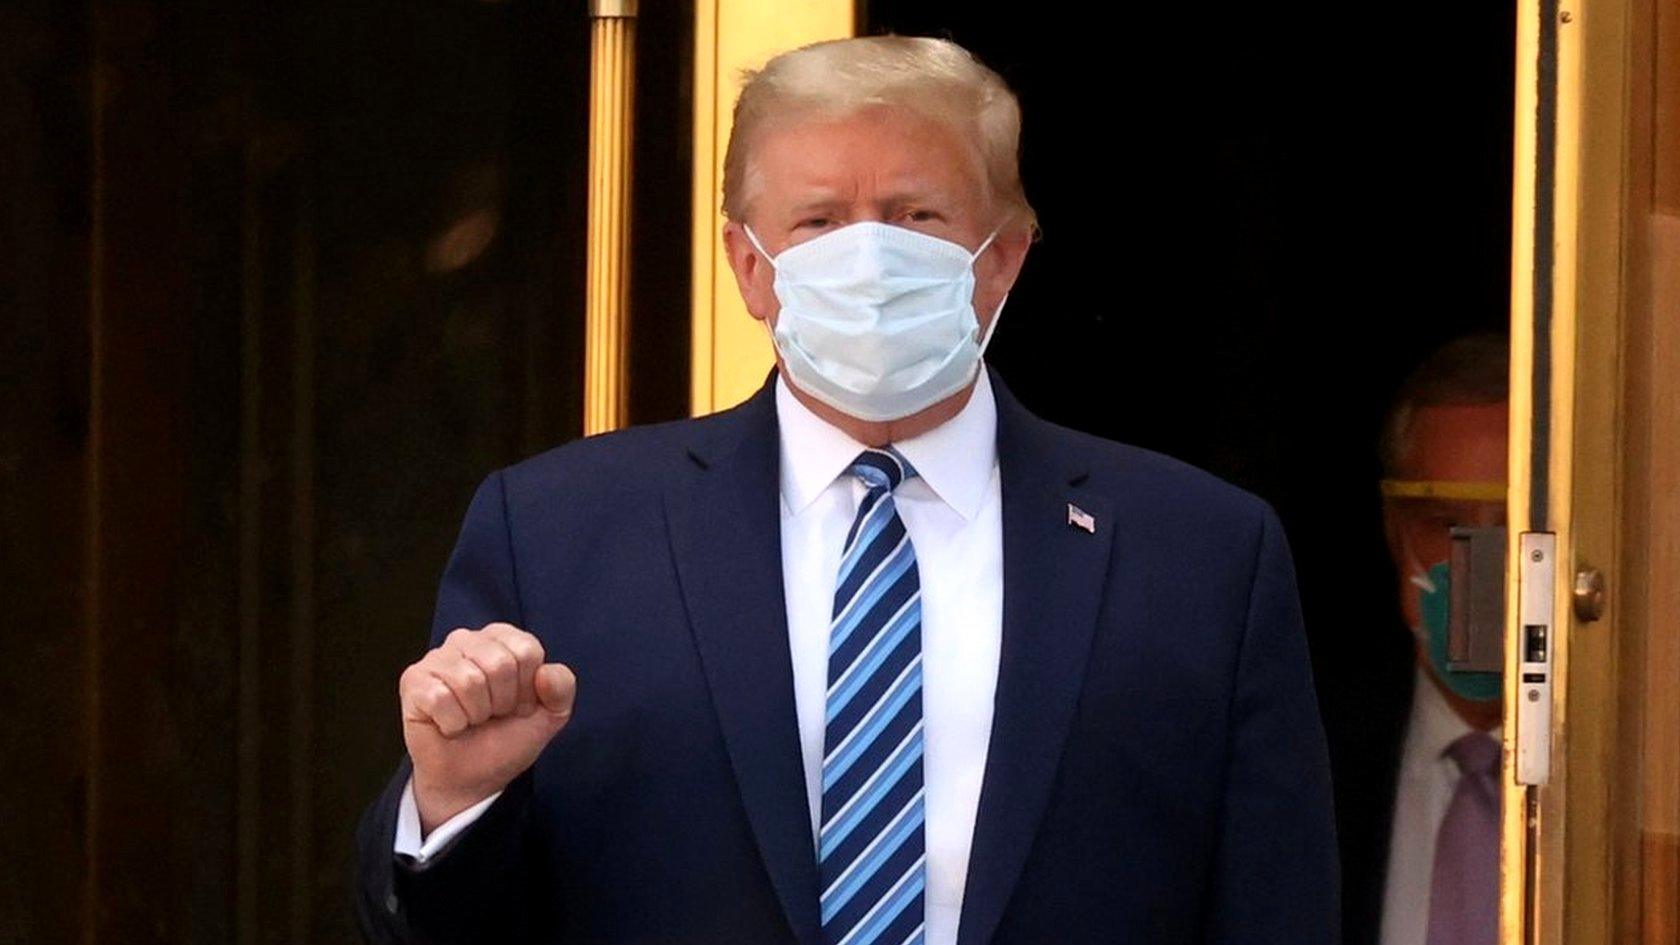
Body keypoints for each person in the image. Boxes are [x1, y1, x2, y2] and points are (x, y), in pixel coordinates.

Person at [354, 35, 1338, 945]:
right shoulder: (562, 532)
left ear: (1000, 259)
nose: (868, 257)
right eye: (820, 221)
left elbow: (1274, 904)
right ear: (750, 266)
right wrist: (453, 804)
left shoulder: (1201, 553)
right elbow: (440, 928)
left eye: (916, 216)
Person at [1339, 334, 1508, 945]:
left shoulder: (1631, 776)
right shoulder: (1314, 757)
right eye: (1448, 524)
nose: (1482, 567)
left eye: (1517, 525)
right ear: (1392, 528)